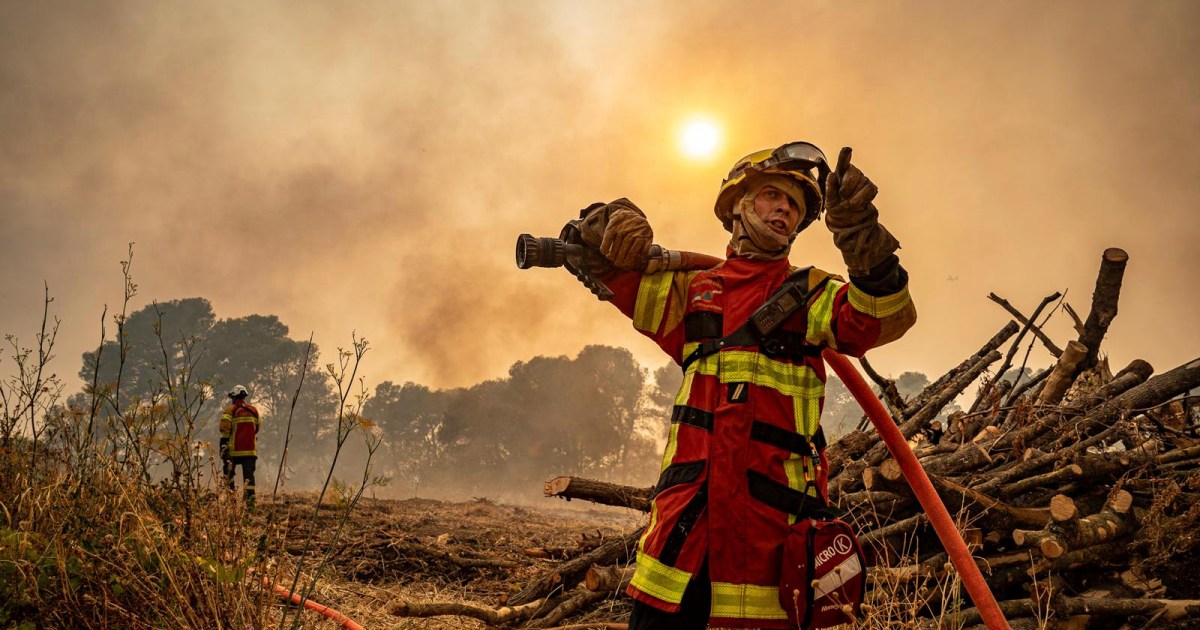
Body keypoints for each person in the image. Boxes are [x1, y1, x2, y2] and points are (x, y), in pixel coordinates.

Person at [574, 142, 917, 629]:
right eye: (773, 195)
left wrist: (862, 236)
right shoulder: (690, 290)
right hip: (683, 536)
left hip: (770, 538)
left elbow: (884, 316)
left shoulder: (812, 294)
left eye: (795, 207)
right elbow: (598, 264)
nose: (784, 210)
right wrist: (608, 222)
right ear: (736, 204)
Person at [219, 385, 261, 508]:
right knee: (249, 478)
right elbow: (257, 429)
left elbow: (224, 430)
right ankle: (250, 503)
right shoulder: (254, 411)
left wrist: (223, 447)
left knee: (228, 474)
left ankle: (231, 500)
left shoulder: (229, 411)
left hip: (233, 451)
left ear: (233, 397)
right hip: (250, 452)